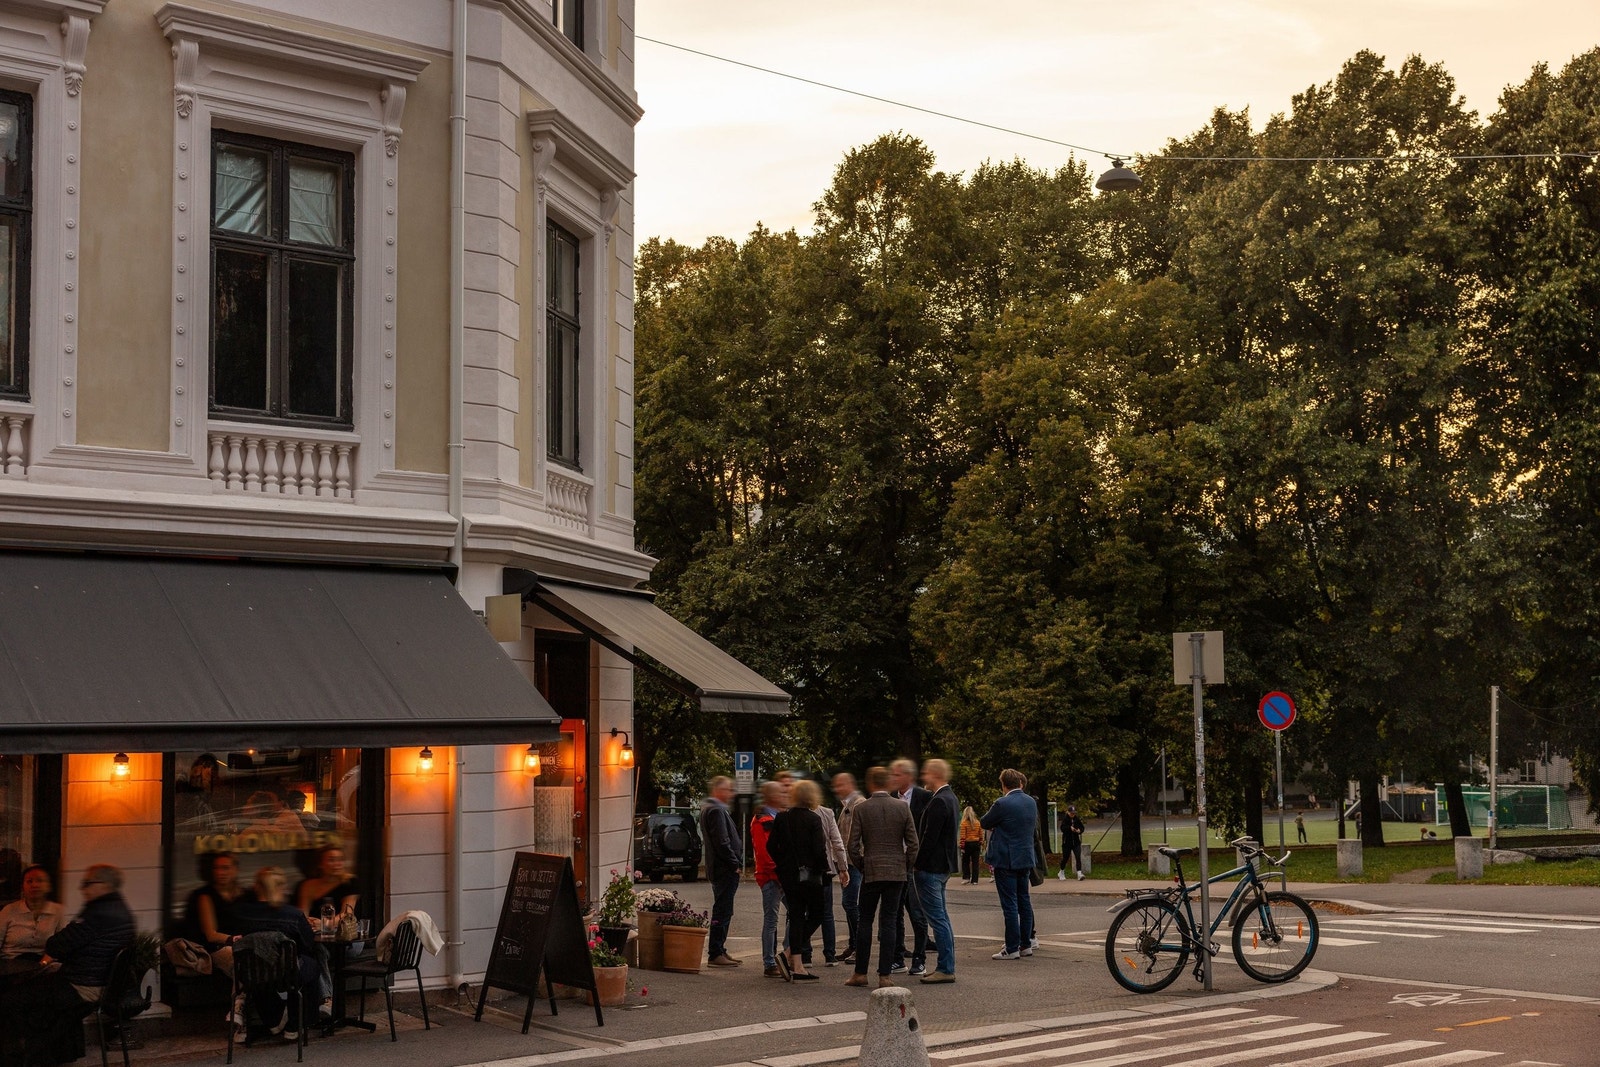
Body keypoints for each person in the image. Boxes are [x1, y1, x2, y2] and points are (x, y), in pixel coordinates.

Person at [9, 863, 136, 1064]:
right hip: (100, 985)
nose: (82, 888)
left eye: (87, 883)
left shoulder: (98, 913)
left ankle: (22, 1058)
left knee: (13, 998)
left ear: (104, 885)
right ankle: (53, 1054)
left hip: (81, 986)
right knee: (40, 993)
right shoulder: (121, 910)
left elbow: (58, 945)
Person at [844, 766, 918, 989]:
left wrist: (863, 865)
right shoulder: (902, 808)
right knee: (890, 921)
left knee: (865, 919)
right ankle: (885, 975)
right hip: (896, 871)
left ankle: (860, 972)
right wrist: (905, 865)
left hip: (872, 870)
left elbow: (852, 845)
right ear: (887, 783)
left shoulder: (862, 808)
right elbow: (913, 844)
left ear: (870, 783)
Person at [230, 868, 321, 1040]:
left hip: (251, 975)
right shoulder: (293, 915)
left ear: (257, 887)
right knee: (311, 966)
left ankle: (273, 1021)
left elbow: (236, 940)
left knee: (260, 971)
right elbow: (307, 944)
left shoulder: (241, 913)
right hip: (289, 974)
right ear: (282, 887)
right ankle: (296, 1025)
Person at [766, 779, 829, 981]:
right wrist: (824, 870)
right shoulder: (813, 819)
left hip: (788, 876)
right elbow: (819, 851)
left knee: (796, 915)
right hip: (809, 876)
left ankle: (796, 963)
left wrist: (783, 864)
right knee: (818, 913)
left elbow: (770, 847)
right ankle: (790, 957)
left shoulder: (782, 818)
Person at [980, 768, 1037, 960]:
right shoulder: (1031, 802)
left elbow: (985, 822)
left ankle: (1012, 947)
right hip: (1025, 857)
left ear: (1003, 784)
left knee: (1010, 904)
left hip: (1005, 858)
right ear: (1019, 782)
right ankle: (1026, 943)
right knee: (1024, 901)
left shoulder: (1002, 803)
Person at [914, 759, 960, 983]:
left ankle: (945, 967)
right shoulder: (949, 798)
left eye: (926, 773)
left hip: (931, 867)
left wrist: (917, 862)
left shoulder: (939, 801)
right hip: (942, 866)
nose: (923, 777)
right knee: (942, 917)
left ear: (935, 774)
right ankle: (946, 964)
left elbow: (929, 838)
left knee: (937, 919)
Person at [887, 758, 929, 975]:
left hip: (914, 863)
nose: (892, 778)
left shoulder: (924, 797)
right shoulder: (891, 798)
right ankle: (897, 956)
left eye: (896, 774)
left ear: (908, 776)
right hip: (896, 862)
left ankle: (920, 957)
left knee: (917, 912)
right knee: (895, 913)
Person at [699, 775, 743, 967]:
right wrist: (735, 863)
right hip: (724, 868)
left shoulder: (711, 808)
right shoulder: (716, 810)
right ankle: (715, 952)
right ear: (717, 790)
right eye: (728, 789)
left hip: (719, 867)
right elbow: (722, 842)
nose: (731, 793)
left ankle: (720, 949)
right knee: (723, 910)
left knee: (724, 908)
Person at [180, 852, 246, 973]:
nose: (220, 873)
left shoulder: (244, 894)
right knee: (240, 962)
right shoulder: (204, 896)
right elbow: (211, 935)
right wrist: (239, 940)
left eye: (225, 868)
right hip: (215, 948)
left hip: (241, 945)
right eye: (217, 868)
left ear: (235, 870)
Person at [750, 780, 788, 978]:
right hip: (771, 877)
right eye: (780, 792)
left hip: (778, 875)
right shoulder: (761, 820)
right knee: (771, 920)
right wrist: (780, 872)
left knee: (791, 916)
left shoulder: (773, 817)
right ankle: (769, 962)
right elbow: (765, 854)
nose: (784, 794)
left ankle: (784, 956)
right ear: (772, 796)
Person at [831, 773, 866, 963]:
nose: (836, 789)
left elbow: (859, 836)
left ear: (849, 784)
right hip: (847, 863)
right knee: (849, 903)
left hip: (854, 862)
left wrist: (853, 860)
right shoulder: (847, 805)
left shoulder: (858, 804)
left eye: (840, 785)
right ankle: (854, 944)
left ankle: (860, 947)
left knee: (850, 903)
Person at [0, 865, 64, 959]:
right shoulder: (9, 910)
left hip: (43, 966)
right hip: (10, 964)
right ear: (22, 886)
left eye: (40, 881)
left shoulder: (59, 911)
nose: (34, 885)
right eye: (29, 881)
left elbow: (62, 945)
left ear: (49, 886)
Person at [816, 789, 850, 965]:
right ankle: (829, 954)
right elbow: (837, 842)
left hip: (801, 871)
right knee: (827, 913)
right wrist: (843, 868)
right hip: (825, 869)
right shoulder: (827, 813)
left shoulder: (791, 814)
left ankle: (804, 955)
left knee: (801, 913)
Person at [295, 845, 359, 922]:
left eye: (340, 860)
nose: (337, 864)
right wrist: (307, 924)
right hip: (313, 928)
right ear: (320, 864)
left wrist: (325, 925)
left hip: (338, 930)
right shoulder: (308, 885)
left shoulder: (349, 882)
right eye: (331, 860)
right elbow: (303, 914)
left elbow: (347, 914)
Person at [1058, 804, 1086, 880]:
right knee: (1065, 858)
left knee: (1078, 857)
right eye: (1071, 813)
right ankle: (1061, 871)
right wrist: (1069, 828)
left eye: (1074, 813)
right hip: (1067, 842)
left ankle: (1079, 873)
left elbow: (1082, 827)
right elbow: (1062, 828)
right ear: (1068, 812)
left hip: (1076, 842)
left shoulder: (1077, 819)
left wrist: (1079, 830)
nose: (1073, 814)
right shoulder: (1065, 819)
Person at [959, 807, 983, 884]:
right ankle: (975, 880)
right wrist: (981, 842)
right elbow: (981, 834)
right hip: (976, 843)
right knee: (975, 862)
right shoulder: (977, 822)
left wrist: (962, 846)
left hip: (967, 843)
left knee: (965, 861)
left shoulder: (964, 823)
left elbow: (963, 836)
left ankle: (966, 877)